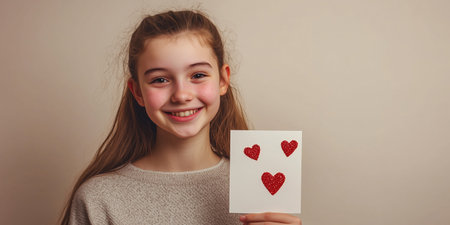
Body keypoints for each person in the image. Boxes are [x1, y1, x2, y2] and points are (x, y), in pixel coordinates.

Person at [59, 10, 301, 225]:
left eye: (197, 75)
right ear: (137, 92)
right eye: (160, 79)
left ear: (223, 80)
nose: (181, 95)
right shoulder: (98, 200)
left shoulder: (261, 189)